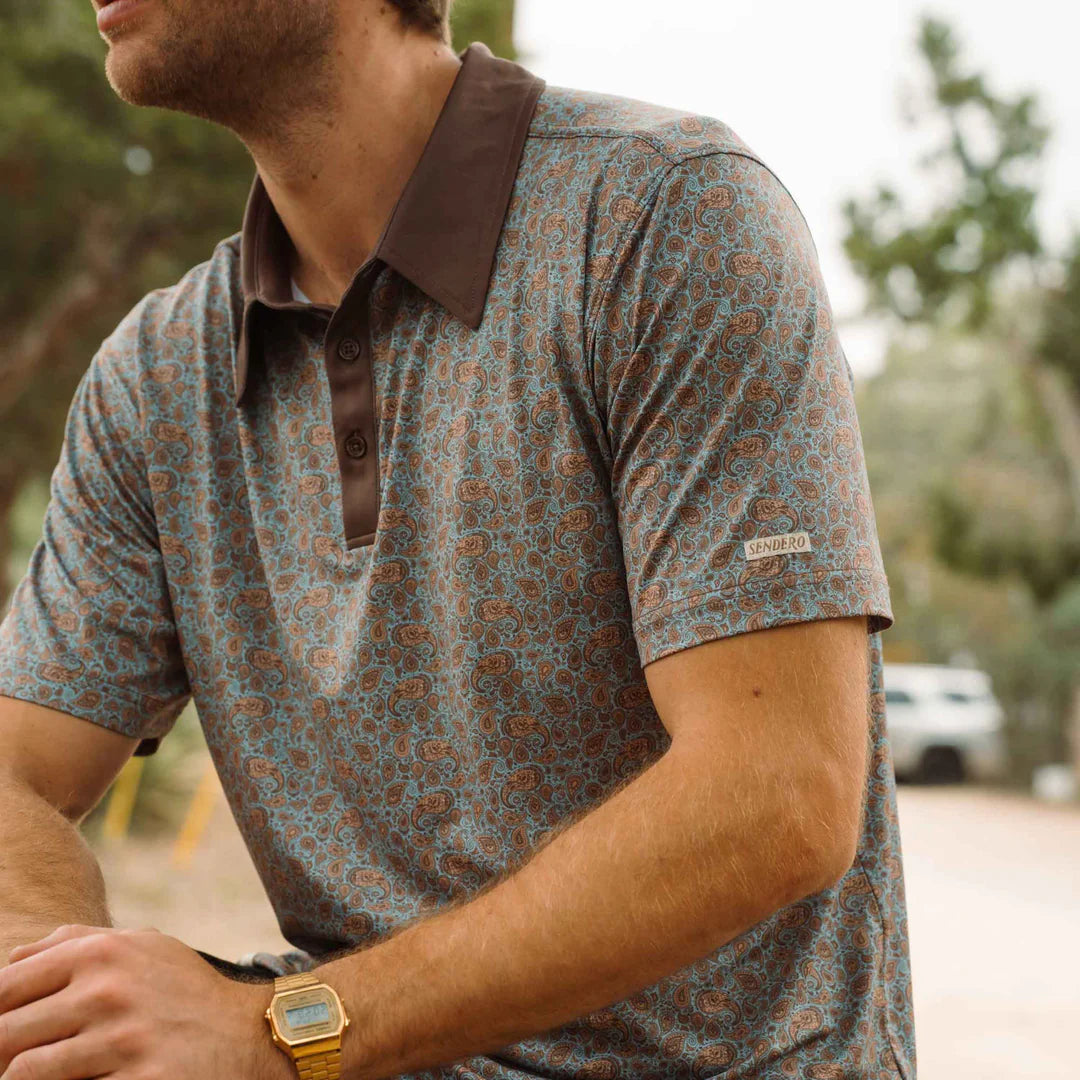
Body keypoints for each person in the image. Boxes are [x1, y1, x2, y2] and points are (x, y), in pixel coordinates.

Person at [0, 1, 917, 1078]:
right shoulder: (158, 378)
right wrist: (59, 1011)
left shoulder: (666, 216)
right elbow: (13, 774)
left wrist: (285, 1029)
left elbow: (781, 792)